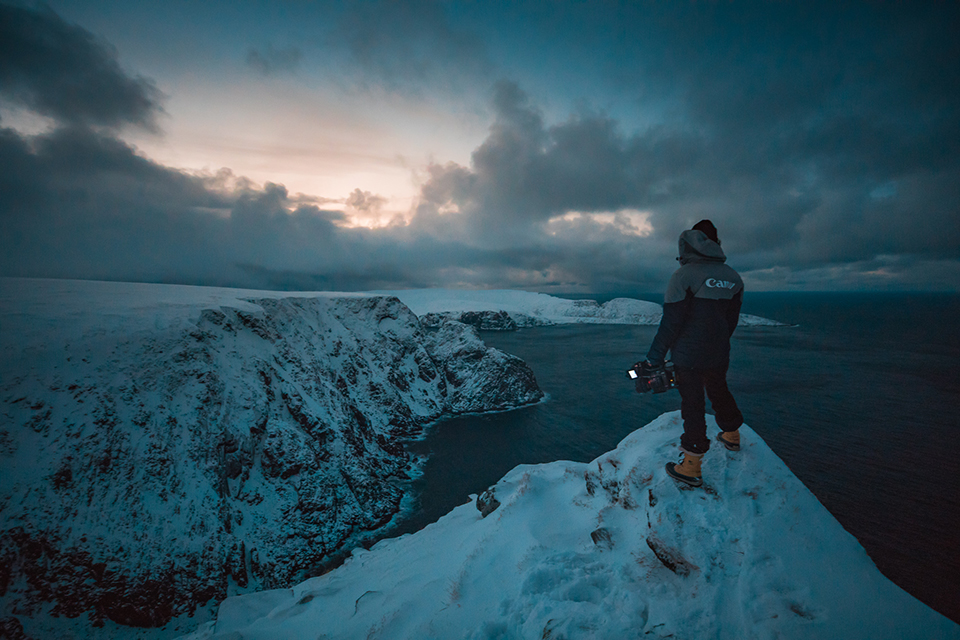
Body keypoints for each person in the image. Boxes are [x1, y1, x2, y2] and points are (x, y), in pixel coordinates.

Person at [640, 219, 744, 487]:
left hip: (688, 356)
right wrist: (717, 342)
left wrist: (654, 358)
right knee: (719, 389)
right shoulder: (733, 277)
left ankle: (691, 465)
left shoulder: (683, 276)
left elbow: (671, 323)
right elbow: (730, 321)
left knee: (693, 405)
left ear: (688, 244)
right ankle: (732, 435)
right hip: (719, 351)